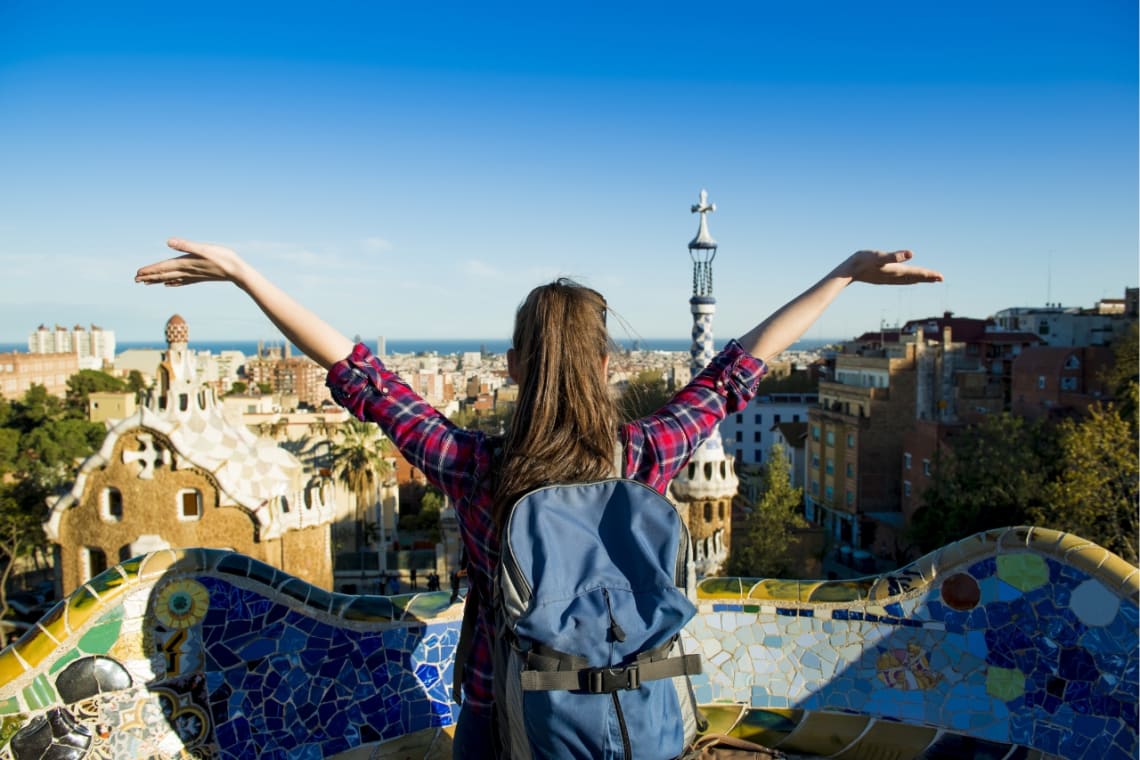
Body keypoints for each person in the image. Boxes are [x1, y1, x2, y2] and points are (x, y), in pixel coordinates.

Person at [137, 238, 941, 759]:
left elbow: (363, 379)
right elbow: (739, 371)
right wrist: (843, 273)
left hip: (504, 708)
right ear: (604, 366)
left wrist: (247, 275)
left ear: (517, 367)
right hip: (639, 708)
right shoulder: (645, 455)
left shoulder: (476, 468)